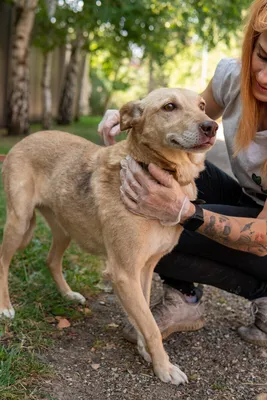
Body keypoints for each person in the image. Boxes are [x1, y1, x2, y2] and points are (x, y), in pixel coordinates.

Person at [98, 0, 267, 347]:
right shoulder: (235, 77)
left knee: (162, 226)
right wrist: (132, 114)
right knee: (159, 173)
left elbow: (264, 238)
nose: (264, 77)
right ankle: (184, 297)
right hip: (250, 199)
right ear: (253, 43)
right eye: (263, 56)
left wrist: (186, 211)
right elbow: (188, 115)